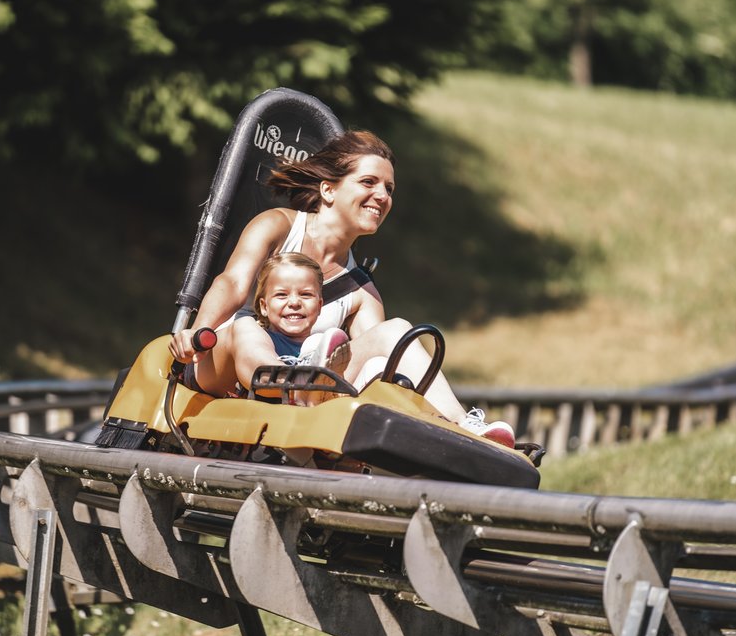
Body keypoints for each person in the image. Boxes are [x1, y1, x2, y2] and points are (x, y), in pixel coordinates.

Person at [169, 130, 514, 444]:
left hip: (305, 391)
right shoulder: (276, 226)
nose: (382, 196)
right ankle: (289, 379)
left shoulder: (361, 290)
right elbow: (232, 283)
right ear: (328, 189)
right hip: (222, 367)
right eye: (369, 182)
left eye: (389, 189)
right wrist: (198, 332)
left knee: (395, 335)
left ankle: (460, 427)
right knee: (246, 328)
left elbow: (378, 371)